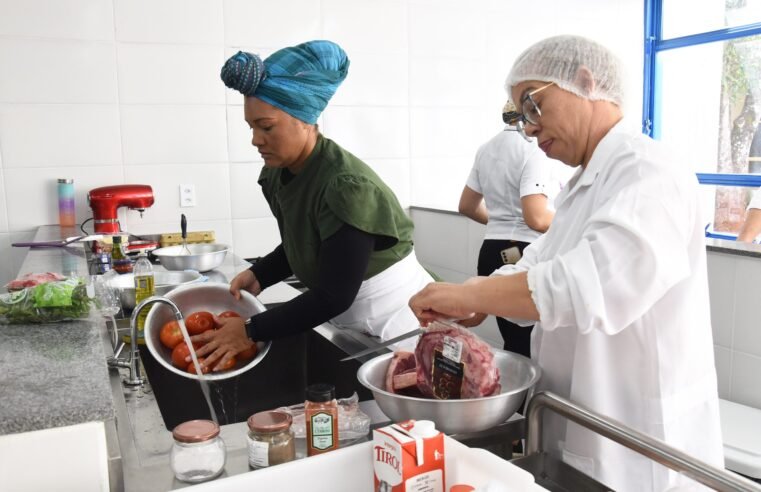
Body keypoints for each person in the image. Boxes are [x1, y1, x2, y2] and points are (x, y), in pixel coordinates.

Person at [409, 35, 723, 491]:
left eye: (533, 106)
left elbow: (583, 284)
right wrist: (478, 297)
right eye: (521, 117)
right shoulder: (583, 184)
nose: (529, 128)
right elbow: (540, 259)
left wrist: (471, 293)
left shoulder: (649, 170)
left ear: (585, 82)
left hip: (638, 439)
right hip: (583, 421)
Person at [193, 40, 434, 370]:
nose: (255, 139)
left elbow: (334, 294)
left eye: (266, 126)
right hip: (350, 319)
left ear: (304, 119)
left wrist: (250, 330)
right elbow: (307, 240)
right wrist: (260, 274)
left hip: (397, 322)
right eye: (251, 127)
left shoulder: (345, 185)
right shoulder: (279, 173)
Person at [458, 103, 559, 356]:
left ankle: (514, 392)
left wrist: (499, 224)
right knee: (531, 347)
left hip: (490, 251)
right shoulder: (533, 151)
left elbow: (467, 206)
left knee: (513, 342)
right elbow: (536, 217)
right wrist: (569, 224)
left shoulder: (486, 149)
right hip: (522, 253)